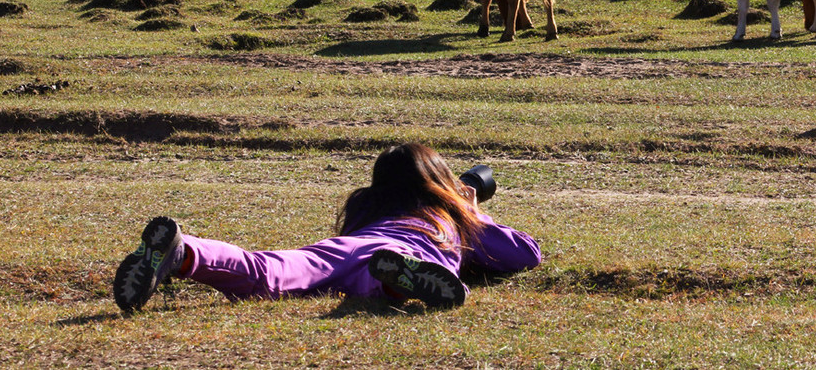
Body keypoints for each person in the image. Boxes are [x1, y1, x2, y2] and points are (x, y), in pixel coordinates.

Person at [113, 143, 541, 313]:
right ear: (440, 184)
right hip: (413, 248)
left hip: (346, 247)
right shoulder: (445, 216)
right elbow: (525, 254)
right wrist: (471, 212)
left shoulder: (366, 207)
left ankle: (185, 252)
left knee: (270, 270)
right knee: (397, 271)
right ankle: (398, 283)